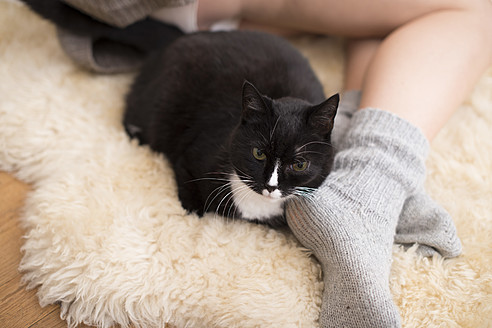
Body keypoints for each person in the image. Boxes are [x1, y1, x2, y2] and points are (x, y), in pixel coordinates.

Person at [45, 0, 492, 326]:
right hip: (146, 19)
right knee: (473, 9)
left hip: (220, 37)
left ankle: (371, 181)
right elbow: (191, 154)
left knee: (392, 18)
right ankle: (375, 182)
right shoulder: (227, 154)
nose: (273, 185)